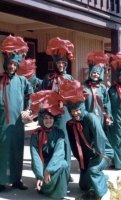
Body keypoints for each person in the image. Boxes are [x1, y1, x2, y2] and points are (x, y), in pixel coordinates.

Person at [63, 80, 113, 200]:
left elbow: (100, 139)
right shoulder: (70, 124)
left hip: (103, 152)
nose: (76, 113)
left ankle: (104, 193)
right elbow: (74, 145)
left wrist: (96, 159)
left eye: (78, 109)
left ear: (82, 107)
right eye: (73, 111)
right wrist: (82, 160)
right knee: (83, 186)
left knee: (93, 170)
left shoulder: (91, 118)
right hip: (88, 156)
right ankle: (105, 179)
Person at [0, 35, 33, 191]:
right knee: (2, 152)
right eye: (10, 64)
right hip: (1, 123)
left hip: (17, 124)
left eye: (15, 64)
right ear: (6, 63)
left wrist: (28, 109)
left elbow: (31, 96)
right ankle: (1, 181)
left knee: (17, 151)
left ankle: (16, 180)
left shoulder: (22, 81)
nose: (12, 66)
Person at [41, 37, 74, 181]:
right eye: (58, 62)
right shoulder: (48, 78)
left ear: (66, 64)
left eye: (63, 62)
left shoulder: (69, 78)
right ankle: (50, 173)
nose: (60, 65)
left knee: (65, 142)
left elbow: (74, 97)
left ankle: (65, 173)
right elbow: (42, 96)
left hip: (65, 114)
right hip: (50, 115)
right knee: (50, 143)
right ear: (54, 63)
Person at [29, 90, 69, 199]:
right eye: (45, 118)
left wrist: (49, 170)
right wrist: (40, 175)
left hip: (53, 164)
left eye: (51, 118)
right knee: (44, 175)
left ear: (54, 119)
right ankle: (44, 186)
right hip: (41, 164)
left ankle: (56, 192)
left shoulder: (59, 133)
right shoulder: (35, 134)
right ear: (41, 119)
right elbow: (35, 156)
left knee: (64, 164)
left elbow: (59, 152)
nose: (48, 121)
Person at [83, 50, 113, 128]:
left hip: (101, 119)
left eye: (97, 73)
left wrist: (108, 116)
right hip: (87, 120)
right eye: (94, 72)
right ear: (90, 73)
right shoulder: (84, 87)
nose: (96, 75)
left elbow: (107, 103)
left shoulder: (102, 88)